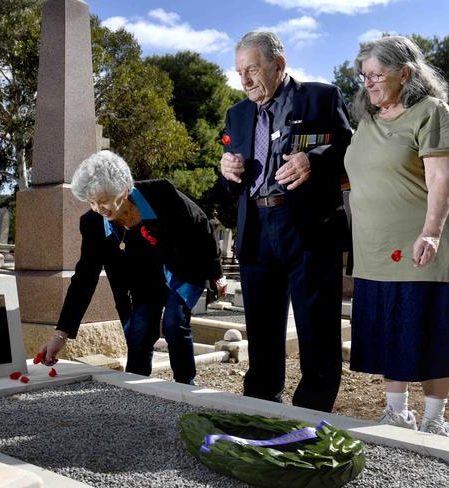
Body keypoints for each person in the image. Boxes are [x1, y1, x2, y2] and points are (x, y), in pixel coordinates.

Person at [219, 31, 352, 412]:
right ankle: (262, 405)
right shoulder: (237, 114)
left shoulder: (320, 97)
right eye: (239, 71)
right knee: (261, 326)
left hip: (308, 226)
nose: (244, 80)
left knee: (316, 325)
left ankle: (311, 412)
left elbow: (349, 147)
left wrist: (315, 159)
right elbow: (231, 183)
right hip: (256, 226)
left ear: (278, 65)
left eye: (252, 69)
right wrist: (226, 170)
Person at [39, 150, 226, 385]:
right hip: (143, 283)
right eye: (91, 202)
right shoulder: (92, 224)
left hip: (183, 268)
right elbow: (84, 278)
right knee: (139, 334)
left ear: (124, 189)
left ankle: (185, 385)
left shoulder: (161, 193)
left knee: (173, 323)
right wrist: (61, 335)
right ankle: (136, 388)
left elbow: (201, 225)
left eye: (104, 199)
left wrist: (217, 273)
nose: (99, 208)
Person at [344, 36, 449, 436]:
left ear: (405, 73)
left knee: (428, 329)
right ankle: (396, 412)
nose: (367, 83)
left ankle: (435, 419)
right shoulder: (367, 120)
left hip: (418, 244)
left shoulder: (431, 112)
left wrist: (432, 232)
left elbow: (441, 179)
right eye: (364, 75)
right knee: (390, 330)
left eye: (377, 74)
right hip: (372, 249)